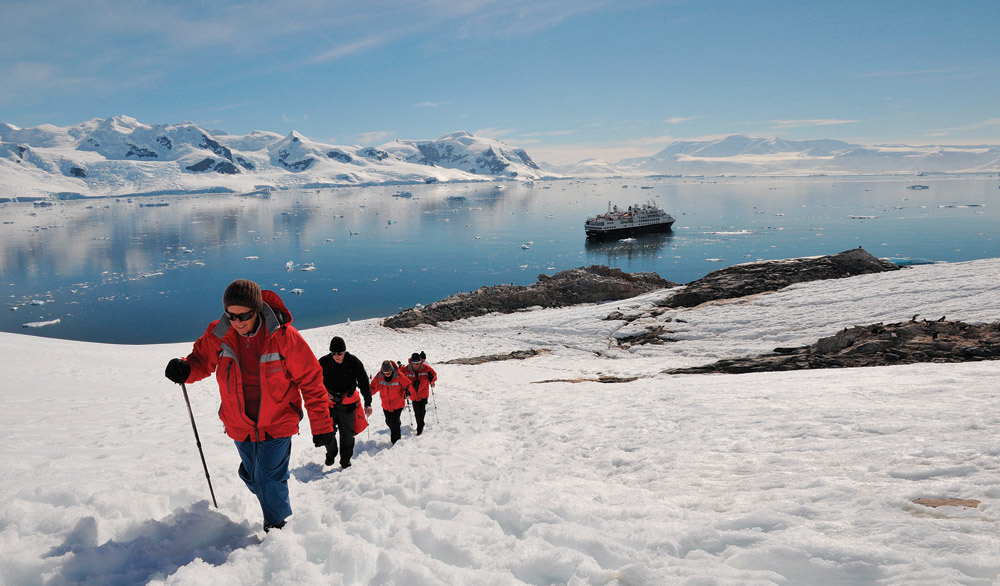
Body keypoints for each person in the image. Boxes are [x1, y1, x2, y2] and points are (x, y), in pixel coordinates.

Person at [163, 279, 334, 533]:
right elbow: (200, 361)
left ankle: (276, 526)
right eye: (231, 315)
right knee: (257, 477)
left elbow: (310, 380)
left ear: (257, 310)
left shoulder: (284, 337)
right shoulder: (219, 333)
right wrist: (185, 369)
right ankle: (268, 490)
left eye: (244, 315)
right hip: (239, 424)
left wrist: (322, 425)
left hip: (278, 422)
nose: (237, 321)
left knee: (267, 477)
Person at [318, 336, 373, 468]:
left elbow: (364, 382)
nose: (336, 356)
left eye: (339, 353)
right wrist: (324, 393)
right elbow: (314, 382)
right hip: (329, 403)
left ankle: (345, 461)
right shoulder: (323, 362)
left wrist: (368, 403)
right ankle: (331, 453)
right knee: (328, 431)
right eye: (333, 353)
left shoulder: (354, 362)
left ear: (345, 351)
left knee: (347, 435)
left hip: (348, 404)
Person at [370, 360, 413, 445]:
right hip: (386, 404)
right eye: (385, 373)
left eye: (388, 373)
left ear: (392, 370)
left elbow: (409, 385)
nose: (387, 374)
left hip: (398, 404)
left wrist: (408, 392)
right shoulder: (379, 376)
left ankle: (396, 442)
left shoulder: (399, 376)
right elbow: (373, 387)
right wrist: (367, 392)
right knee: (388, 421)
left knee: (394, 422)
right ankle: (396, 429)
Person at [399, 352, 437, 436]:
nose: (415, 365)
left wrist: (432, 379)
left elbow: (434, 375)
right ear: (411, 362)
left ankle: (420, 425)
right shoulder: (406, 369)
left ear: (420, 362)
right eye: (414, 363)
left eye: (417, 363)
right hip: (413, 394)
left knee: (422, 410)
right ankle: (419, 427)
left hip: (423, 393)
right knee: (416, 411)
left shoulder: (426, 368)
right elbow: (399, 376)